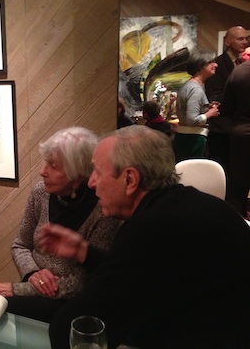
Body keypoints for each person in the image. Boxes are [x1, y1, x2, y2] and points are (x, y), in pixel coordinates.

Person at [38, 125, 250, 349]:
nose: (91, 182)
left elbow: (73, 329)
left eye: (98, 172)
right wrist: (84, 252)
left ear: (130, 179)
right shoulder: (191, 204)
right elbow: (143, 278)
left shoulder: (152, 228)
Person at [0, 127, 121, 322]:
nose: (42, 172)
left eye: (53, 165)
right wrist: (32, 274)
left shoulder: (103, 210)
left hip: (72, 305)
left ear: (77, 177)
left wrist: (17, 289)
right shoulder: (41, 193)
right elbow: (20, 245)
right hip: (33, 289)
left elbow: (79, 285)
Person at [205, 26, 248, 171]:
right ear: (227, 42)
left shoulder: (245, 65)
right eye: (240, 39)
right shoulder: (217, 65)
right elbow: (215, 96)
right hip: (223, 130)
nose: (245, 42)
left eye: (246, 38)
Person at [220, 46, 250, 218]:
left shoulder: (238, 72)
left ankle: (237, 223)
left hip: (241, 132)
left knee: (238, 183)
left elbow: (226, 107)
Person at [174, 49, 220, 161]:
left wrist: (205, 109)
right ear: (201, 66)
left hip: (185, 137)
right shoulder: (196, 90)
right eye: (211, 62)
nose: (216, 65)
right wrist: (209, 114)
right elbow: (192, 120)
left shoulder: (189, 85)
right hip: (193, 139)